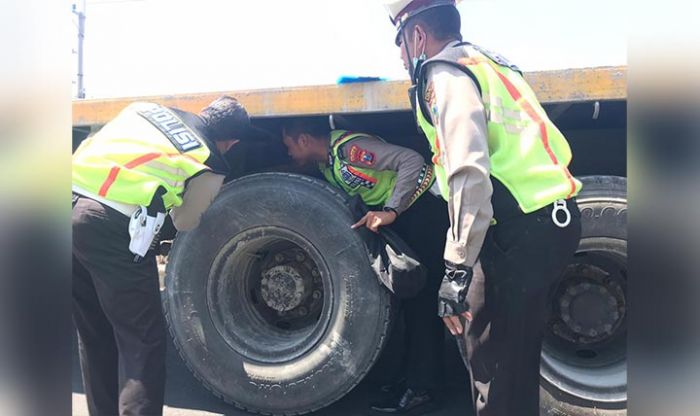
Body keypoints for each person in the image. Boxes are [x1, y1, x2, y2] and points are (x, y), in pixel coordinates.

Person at [382, 1, 584, 415]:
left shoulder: (444, 72)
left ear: (417, 36)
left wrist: (456, 268)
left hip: (519, 229)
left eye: (399, 43)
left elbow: (468, 170)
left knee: (491, 362)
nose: (400, 56)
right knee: (512, 362)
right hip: (550, 219)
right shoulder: (493, 64)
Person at [72, 96, 255, 416]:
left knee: (94, 332)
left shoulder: (146, 109)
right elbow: (185, 221)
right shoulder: (208, 158)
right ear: (232, 142)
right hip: (109, 224)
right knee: (142, 343)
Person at [281, 118, 448, 414]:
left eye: (289, 145)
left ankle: (422, 388)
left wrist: (391, 210)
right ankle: (411, 379)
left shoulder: (350, 149)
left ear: (304, 139)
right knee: (409, 304)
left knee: (421, 302)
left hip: (424, 212)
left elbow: (411, 160)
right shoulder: (327, 162)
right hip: (408, 216)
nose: (288, 152)